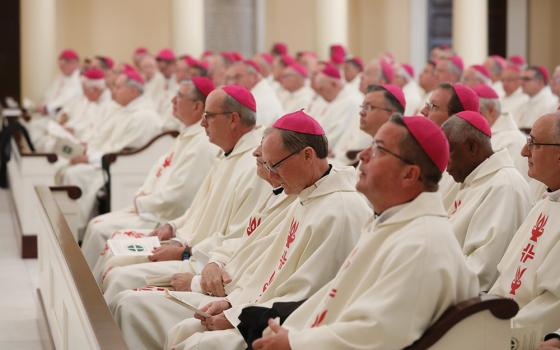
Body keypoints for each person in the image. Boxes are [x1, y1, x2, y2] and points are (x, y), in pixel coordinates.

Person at [249, 115, 479, 350]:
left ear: (409, 175)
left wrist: (294, 342)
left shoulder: (422, 245)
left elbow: (379, 334)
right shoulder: (390, 223)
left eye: (378, 150)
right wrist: (290, 332)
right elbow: (336, 295)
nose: (362, 156)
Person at [159, 110, 371, 350]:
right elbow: (264, 273)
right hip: (257, 309)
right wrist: (231, 305)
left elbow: (306, 297)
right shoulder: (306, 197)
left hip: (292, 330)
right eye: (266, 165)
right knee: (185, 329)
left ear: (307, 155)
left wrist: (239, 317)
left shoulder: (340, 211)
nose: (271, 176)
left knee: (196, 344)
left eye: (275, 165)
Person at [101, 85, 271, 301]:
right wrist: (172, 226)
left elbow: (239, 236)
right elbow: (198, 209)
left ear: (233, 119)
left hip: (203, 263)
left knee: (118, 275)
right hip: (187, 247)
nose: (202, 123)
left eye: (208, 116)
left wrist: (186, 252)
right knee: (114, 254)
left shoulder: (253, 166)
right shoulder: (229, 153)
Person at [80, 77, 218, 269]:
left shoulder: (202, 144)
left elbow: (181, 195)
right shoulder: (187, 133)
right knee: (96, 225)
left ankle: (89, 291)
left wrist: (142, 202)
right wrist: (142, 197)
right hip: (151, 210)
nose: (172, 101)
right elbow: (159, 170)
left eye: (179, 96)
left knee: (99, 229)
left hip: (163, 219)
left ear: (197, 106)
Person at [58, 68, 162, 231]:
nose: (113, 91)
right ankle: (69, 227)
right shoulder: (125, 110)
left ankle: (77, 230)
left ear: (133, 91)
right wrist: (88, 152)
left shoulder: (144, 117)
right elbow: (106, 141)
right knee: (68, 169)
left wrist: (90, 158)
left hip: (122, 170)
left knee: (74, 174)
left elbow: (125, 152)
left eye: (118, 87)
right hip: (107, 162)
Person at [489, 112, 560, 339]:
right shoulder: (544, 203)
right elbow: (505, 279)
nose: (523, 152)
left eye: (533, 143)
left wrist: (499, 336)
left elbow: (551, 304)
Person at [442, 111, 531, 290]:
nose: (446, 164)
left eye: (449, 153)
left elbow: (482, 272)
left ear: (472, 147)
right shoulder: (473, 180)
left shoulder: (504, 187)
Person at [473, 84, 529, 181]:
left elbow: (514, 181)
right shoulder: (480, 133)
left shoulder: (514, 141)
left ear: (491, 110)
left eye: (476, 113)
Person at [312, 63, 361, 150]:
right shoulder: (334, 99)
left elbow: (333, 138)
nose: (320, 94)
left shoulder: (351, 102)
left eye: (321, 89)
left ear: (334, 84)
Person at [225, 60, 285, 126]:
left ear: (253, 76)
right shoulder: (256, 93)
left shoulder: (262, 99)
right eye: (231, 78)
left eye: (238, 77)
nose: (233, 82)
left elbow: (255, 132)